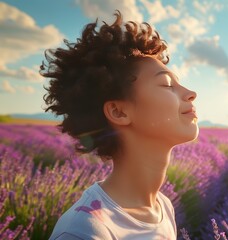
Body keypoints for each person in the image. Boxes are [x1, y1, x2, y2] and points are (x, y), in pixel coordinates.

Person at [41, 9, 199, 240]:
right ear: (119, 111)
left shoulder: (162, 207)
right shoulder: (85, 230)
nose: (191, 93)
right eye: (166, 84)